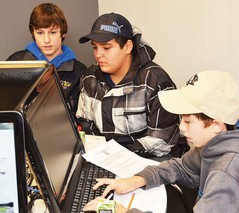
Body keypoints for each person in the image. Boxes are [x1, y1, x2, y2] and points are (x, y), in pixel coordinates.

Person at [83, 70, 239, 213]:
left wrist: (123, 212)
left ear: (217, 125)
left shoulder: (227, 173)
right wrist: (138, 179)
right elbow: (183, 168)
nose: (181, 128)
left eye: (187, 121)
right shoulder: (222, 141)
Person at [76, 12, 180, 159]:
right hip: (104, 158)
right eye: (95, 47)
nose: (98, 54)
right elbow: (85, 125)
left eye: (106, 48)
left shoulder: (156, 80)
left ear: (128, 47)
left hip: (148, 159)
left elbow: (162, 140)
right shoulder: (89, 78)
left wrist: (118, 155)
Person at [6, 3, 87, 117]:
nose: (46, 40)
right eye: (40, 33)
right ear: (33, 33)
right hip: (20, 131)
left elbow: (79, 118)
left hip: (60, 132)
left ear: (63, 33)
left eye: (52, 32)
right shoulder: (16, 62)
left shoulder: (79, 71)